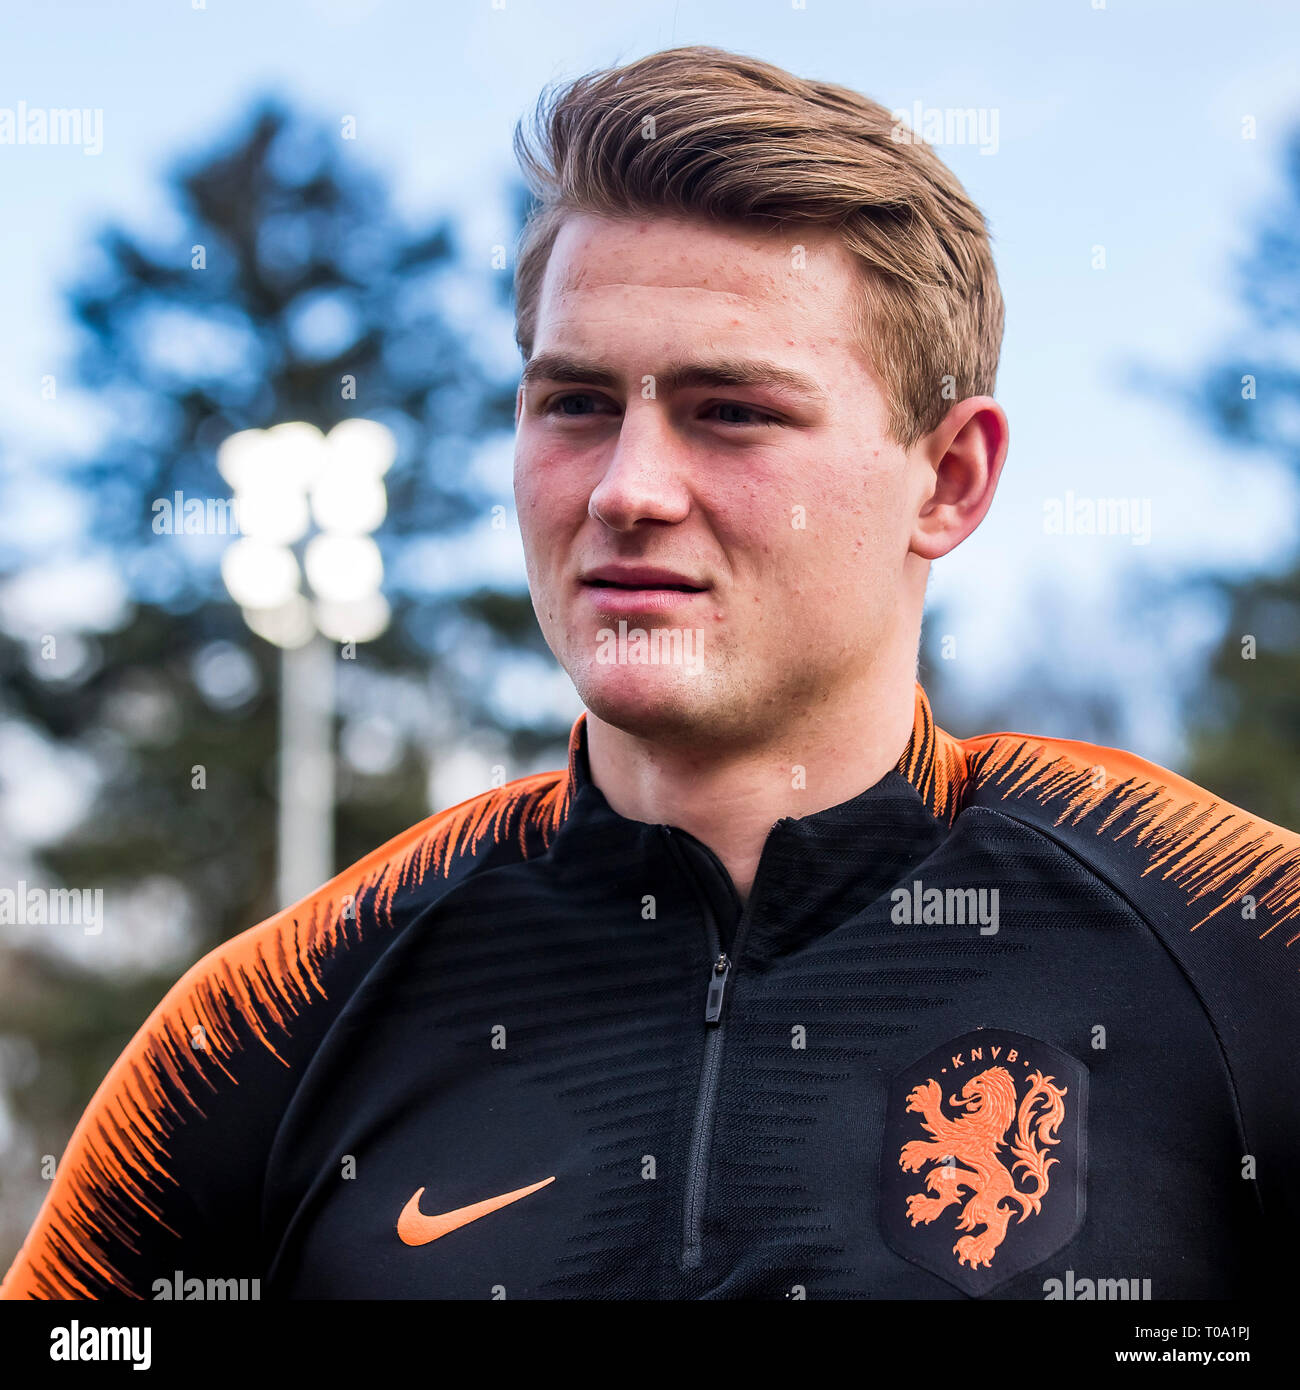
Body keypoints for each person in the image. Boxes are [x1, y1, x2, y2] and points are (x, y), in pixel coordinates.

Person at [3, 45, 1295, 1302]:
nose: (628, 489)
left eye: (731, 411)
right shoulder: (260, 1029)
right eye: (574, 404)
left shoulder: (1245, 948)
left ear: (950, 478)